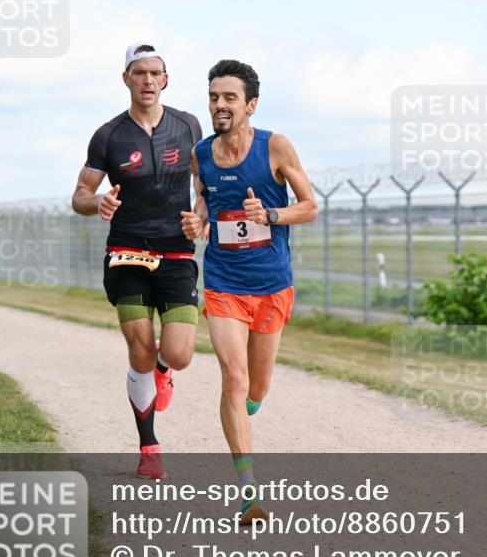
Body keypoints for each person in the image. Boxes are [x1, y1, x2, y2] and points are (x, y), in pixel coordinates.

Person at [181, 59, 317, 524]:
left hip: (271, 283)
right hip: (222, 282)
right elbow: (204, 200)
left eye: (229, 98)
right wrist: (197, 220)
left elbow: (310, 206)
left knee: (255, 387)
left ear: (250, 105)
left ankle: (250, 404)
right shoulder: (200, 153)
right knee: (233, 379)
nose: (220, 105)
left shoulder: (275, 146)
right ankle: (248, 491)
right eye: (214, 96)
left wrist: (272, 217)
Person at [72, 42, 203, 479]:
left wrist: (200, 216)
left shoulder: (188, 126)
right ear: (125, 79)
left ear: (165, 79)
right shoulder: (108, 135)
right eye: (138, 72)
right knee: (140, 350)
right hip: (126, 252)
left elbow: (203, 183)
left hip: (177, 251)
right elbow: (80, 195)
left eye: (155, 73)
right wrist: (98, 204)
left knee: (180, 354)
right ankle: (149, 445)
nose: (147, 80)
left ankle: (165, 369)